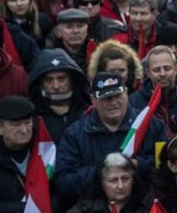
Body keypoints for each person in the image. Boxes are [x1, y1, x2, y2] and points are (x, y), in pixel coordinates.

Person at [55, 72, 166, 200]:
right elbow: (64, 181)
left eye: (117, 95)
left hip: (142, 205)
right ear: (93, 100)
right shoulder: (75, 134)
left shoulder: (151, 125)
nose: (113, 102)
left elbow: (165, 166)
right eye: (106, 98)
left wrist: (137, 164)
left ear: (126, 93)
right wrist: (102, 171)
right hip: (93, 209)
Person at [54, 153, 150, 213]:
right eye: (113, 180)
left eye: (125, 179)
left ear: (133, 180)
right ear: (102, 183)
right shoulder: (89, 206)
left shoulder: (147, 207)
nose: (120, 186)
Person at [129, 46, 177, 136]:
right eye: (156, 70)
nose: (162, 74)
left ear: (176, 68)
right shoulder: (134, 101)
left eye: (167, 68)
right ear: (148, 72)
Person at [27, 49, 90, 143]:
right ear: (40, 83)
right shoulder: (31, 116)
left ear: (73, 80)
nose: (56, 86)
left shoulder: (88, 113)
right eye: (49, 80)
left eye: (62, 79)